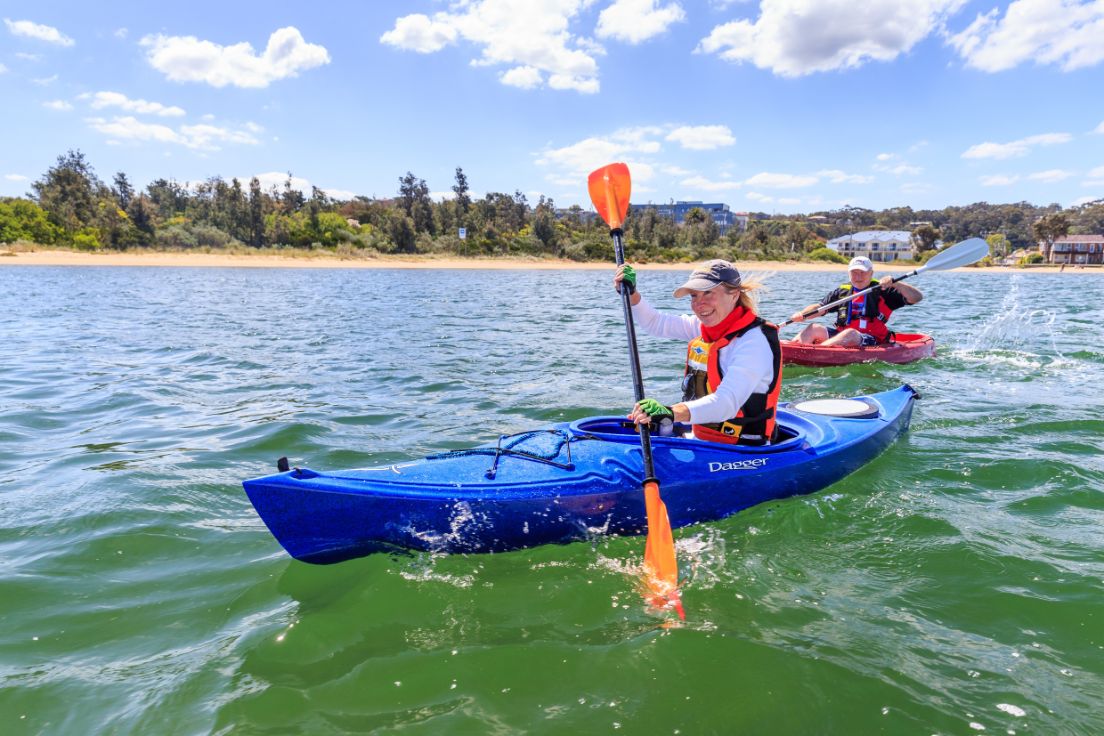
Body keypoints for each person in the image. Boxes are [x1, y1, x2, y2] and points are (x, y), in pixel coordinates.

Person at [613, 259, 782, 446]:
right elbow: (656, 323)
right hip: (702, 441)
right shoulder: (704, 326)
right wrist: (631, 293)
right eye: (694, 295)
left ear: (734, 294)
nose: (699, 304)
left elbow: (726, 403)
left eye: (708, 293)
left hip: (744, 450)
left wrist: (671, 412)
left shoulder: (754, 342)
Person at [789, 256, 922, 347]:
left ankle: (815, 353)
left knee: (850, 333)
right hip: (842, 337)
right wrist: (802, 314)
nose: (858, 277)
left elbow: (916, 298)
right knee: (813, 328)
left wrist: (896, 284)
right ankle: (795, 350)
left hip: (873, 339)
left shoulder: (883, 291)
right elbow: (820, 307)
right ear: (849, 274)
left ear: (871, 273)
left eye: (862, 272)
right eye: (854, 272)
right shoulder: (842, 291)